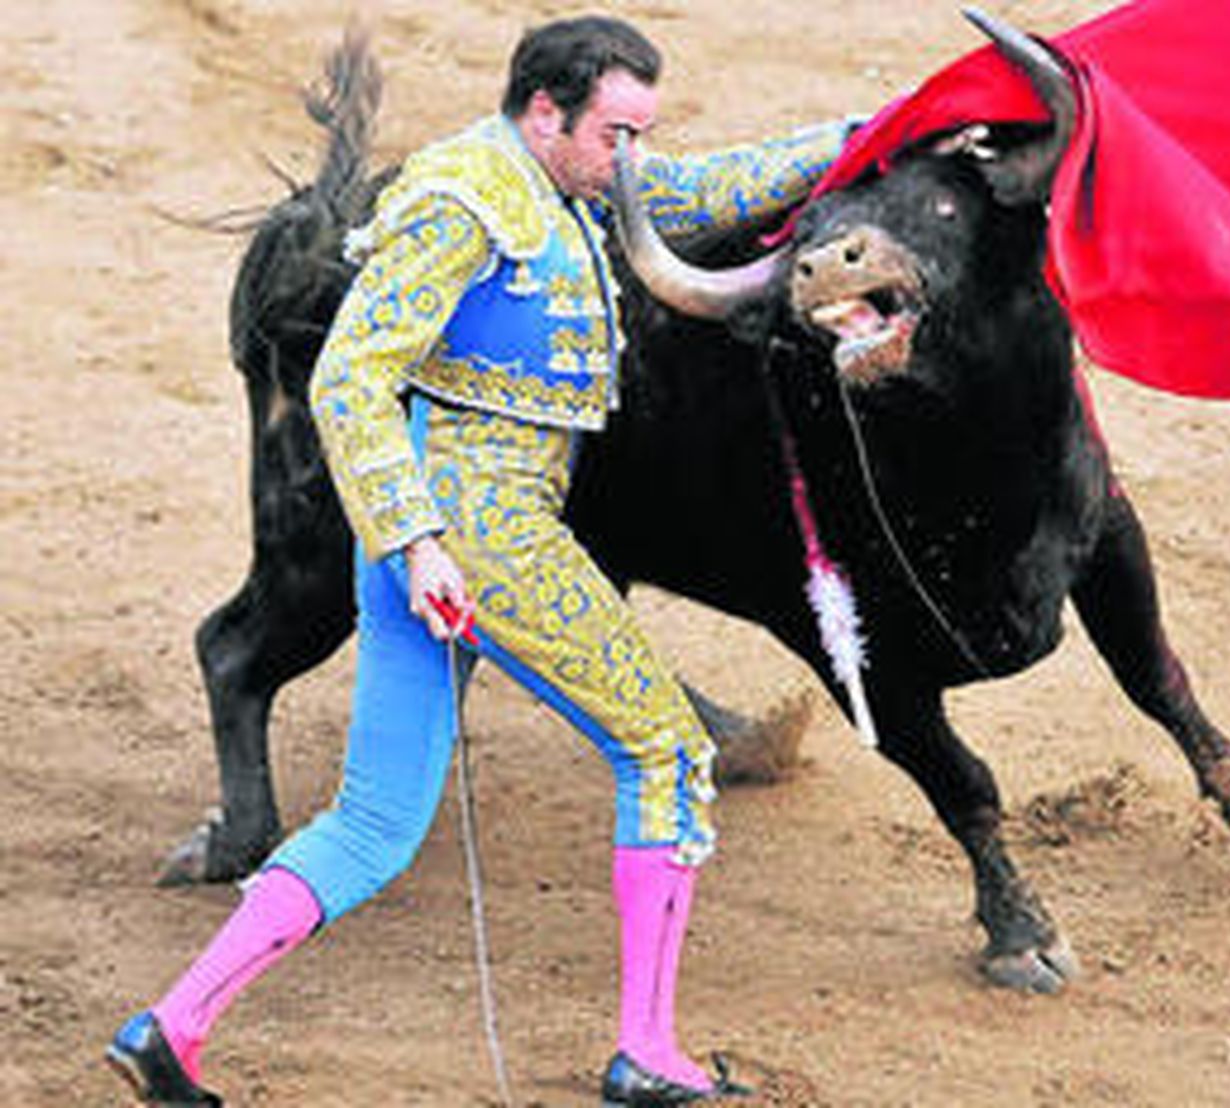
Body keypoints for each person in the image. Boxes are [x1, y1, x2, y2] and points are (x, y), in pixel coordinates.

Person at [108, 16, 854, 1106]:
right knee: (665, 752)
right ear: (544, 112)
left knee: (374, 822)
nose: (631, 157)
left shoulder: (556, 182)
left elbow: (693, 193)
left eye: (639, 132)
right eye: (616, 132)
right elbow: (350, 378)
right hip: (476, 527)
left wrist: (869, 130)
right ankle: (647, 1049)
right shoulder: (463, 197)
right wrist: (417, 542)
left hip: (444, 531)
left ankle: (171, 1027)